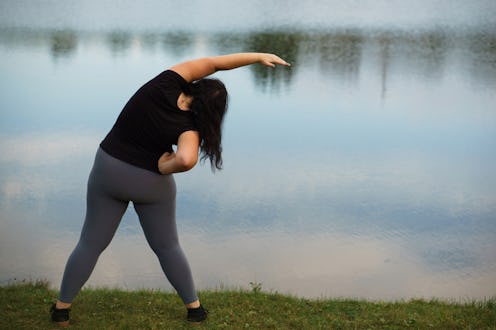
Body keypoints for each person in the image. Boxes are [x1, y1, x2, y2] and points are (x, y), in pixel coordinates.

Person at [50, 52, 290, 326]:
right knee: (167, 246)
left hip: (109, 170)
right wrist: (164, 167)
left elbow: (214, 63)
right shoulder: (189, 129)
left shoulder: (165, 83)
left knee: (91, 243)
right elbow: (186, 159)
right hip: (150, 183)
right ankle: (195, 310)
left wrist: (258, 56)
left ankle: (61, 310)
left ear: (196, 86)